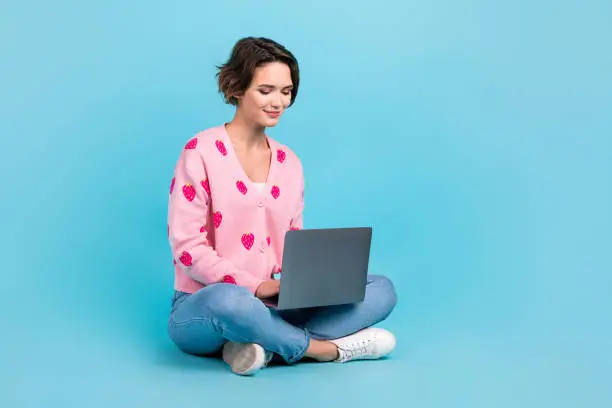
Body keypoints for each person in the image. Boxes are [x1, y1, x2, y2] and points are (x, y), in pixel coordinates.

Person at [166, 37, 397, 376]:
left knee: (381, 290)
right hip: (206, 308)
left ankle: (260, 347)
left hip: (276, 305)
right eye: (266, 90)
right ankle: (322, 350)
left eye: (286, 92)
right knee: (231, 301)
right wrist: (255, 287)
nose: (278, 102)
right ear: (238, 88)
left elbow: (292, 244)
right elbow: (187, 247)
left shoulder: (291, 164)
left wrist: (307, 283)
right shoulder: (199, 152)